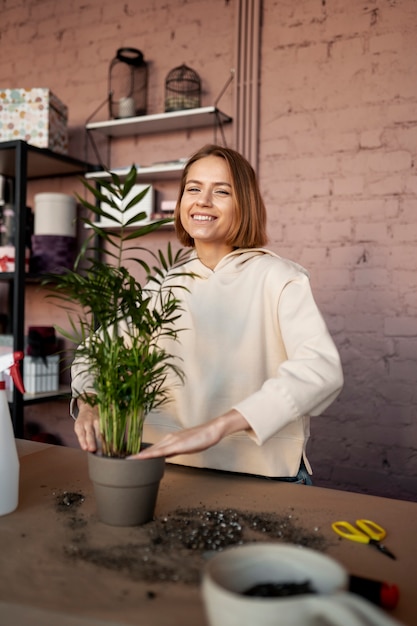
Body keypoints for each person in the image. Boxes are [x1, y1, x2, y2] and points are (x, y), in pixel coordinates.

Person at [71, 144, 343, 483]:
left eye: (222, 191)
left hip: (261, 473)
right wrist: (90, 402)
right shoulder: (163, 285)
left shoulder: (280, 278)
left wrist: (216, 428)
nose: (203, 200)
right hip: (166, 467)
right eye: (194, 188)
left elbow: (321, 370)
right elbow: (97, 353)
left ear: (244, 204)